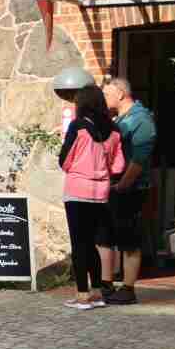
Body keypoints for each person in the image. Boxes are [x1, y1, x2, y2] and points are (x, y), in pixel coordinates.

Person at [56, 85, 125, 311]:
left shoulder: (79, 127)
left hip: (77, 191)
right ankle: (97, 292)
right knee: (92, 243)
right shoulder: (114, 130)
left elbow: (64, 161)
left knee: (78, 244)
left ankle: (82, 295)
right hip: (101, 192)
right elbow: (118, 165)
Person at [98, 76, 157, 306]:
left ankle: (128, 288)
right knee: (105, 236)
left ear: (120, 94)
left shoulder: (141, 120)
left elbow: (139, 159)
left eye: (106, 94)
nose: (104, 98)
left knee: (129, 239)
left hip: (132, 189)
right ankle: (106, 284)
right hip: (113, 186)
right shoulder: (119, 118)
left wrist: (123, 185)